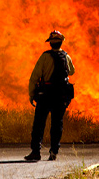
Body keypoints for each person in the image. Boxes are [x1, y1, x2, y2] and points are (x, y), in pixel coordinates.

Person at [24, 30, 75, 162]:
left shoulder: (45, 57)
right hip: (60, 96)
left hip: (45, 95)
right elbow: (72, 71)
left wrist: (31, 94)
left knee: (39, 124)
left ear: (50, 43)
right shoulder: (66, 56)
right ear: (61, 42)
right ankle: (54, 152)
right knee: (57, 124)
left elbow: (34, 77)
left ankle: (36, 152)